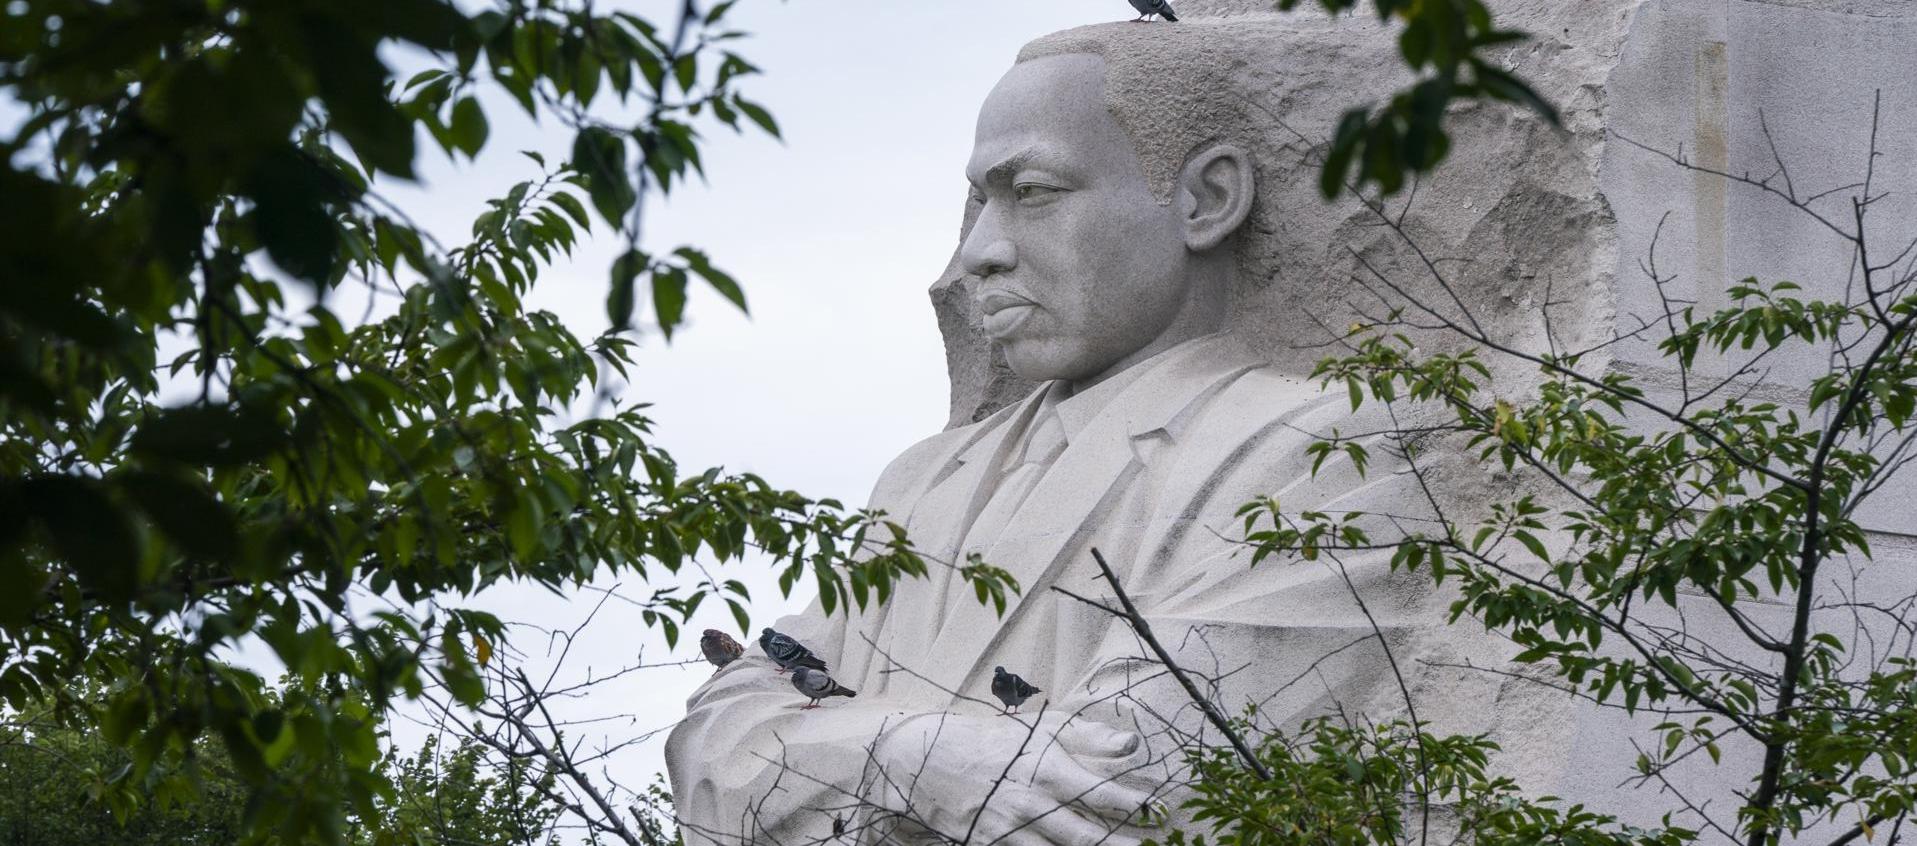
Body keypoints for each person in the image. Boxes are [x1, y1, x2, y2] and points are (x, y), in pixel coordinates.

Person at [666, 21, 1533, 846]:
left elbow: (1133, 789)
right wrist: (913, 757)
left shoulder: (1327, 450)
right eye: (977, 204)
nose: (980, 252)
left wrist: (827, 757)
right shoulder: (920, 483)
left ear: (1207, 198)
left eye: (1032, 194)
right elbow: (713, 750)